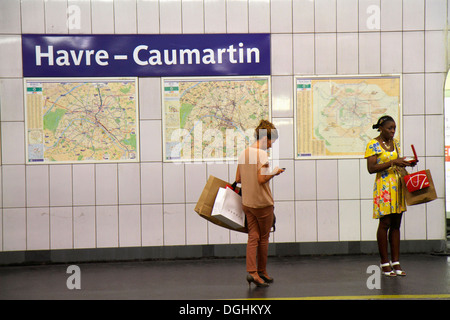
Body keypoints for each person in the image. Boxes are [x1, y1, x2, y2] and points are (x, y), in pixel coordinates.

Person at [235, 120, 284, 287]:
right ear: (265, 139)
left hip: (247, 203)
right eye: (271, 142)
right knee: (263, 238)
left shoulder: (244, 153)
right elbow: (261, 179)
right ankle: (262, 271)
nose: (270, 146)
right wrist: (275, 173)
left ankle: (252, 272)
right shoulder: (262, 155)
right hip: (263, 204)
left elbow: (238, 179)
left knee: (252, 237)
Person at [365, 115, 416, 277]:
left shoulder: (395, 143)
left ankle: (396, 261)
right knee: (385, 223)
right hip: (384, 187)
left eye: (394, 128)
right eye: (389, 128)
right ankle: (384, 262)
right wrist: (394, 162)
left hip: (398, 185)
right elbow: (372, 168)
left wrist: (407, 162)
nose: (393, 131)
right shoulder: (373, 144)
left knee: (396, 223)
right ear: (381, 128)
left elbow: (398, 161)